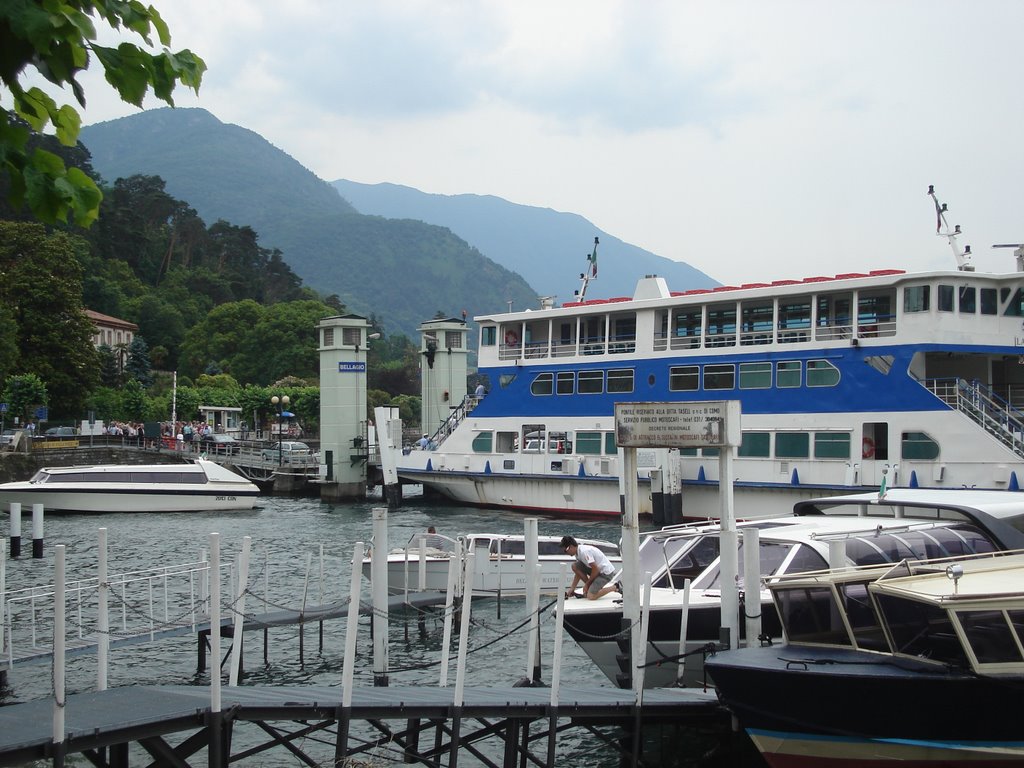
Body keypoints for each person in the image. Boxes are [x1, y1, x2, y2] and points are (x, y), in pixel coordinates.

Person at [561, 535, 620, 600]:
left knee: (591, 596)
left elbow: (596, 570)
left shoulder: (584, 552)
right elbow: (578, 572)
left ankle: (615, 587)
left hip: (605, 573)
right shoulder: (577, 553)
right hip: (596, 570)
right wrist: (572, 588)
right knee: (575, 566)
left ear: (571, 547)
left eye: (565, 551)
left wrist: (587, 584)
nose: (566, 553)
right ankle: (591, 588)